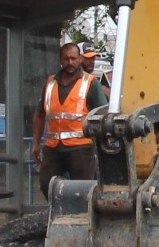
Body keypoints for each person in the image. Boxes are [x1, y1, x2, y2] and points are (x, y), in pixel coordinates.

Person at [31, 40, 107, 200]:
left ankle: (81, 219)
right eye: (66, 59)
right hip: (53, 147)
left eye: (73, 58)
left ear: (79, 59)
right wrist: (36, 144)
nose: (70, 62)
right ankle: (58, 214)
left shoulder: (91, 83)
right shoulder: (51, 83)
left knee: (83, 191)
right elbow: (40, 114)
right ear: (60, 60)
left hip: (81, 148)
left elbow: (103, 114)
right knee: (46, 185)